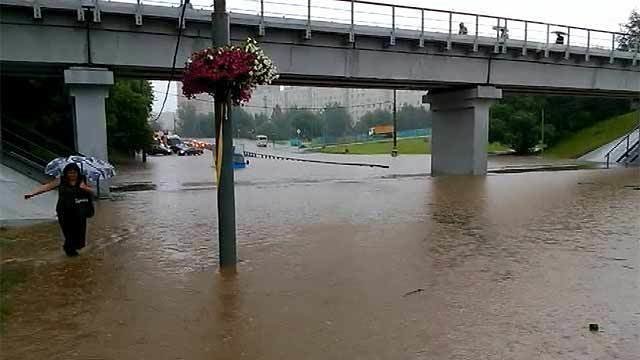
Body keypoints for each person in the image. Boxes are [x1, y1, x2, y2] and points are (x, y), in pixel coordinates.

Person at [25, 163, 94, 257]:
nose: (72, 175)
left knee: (79, 233)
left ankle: (73, 249)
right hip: (64, 211)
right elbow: (47, 187)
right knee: (68, 232)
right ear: (66, 173)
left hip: (79, 211)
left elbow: (93, 191)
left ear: (78, 173)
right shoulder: (61, 180)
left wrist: (85, 187)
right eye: (70, 173)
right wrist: (32, 193)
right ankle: (70, 252)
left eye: (74, 173)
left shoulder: (83, 180)